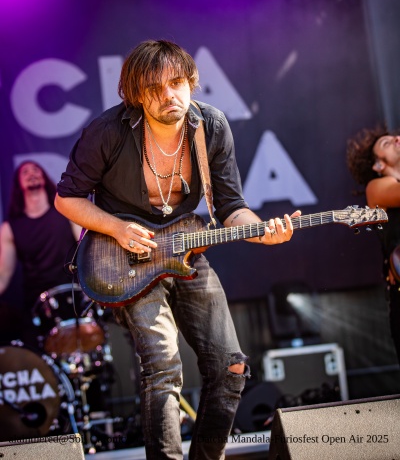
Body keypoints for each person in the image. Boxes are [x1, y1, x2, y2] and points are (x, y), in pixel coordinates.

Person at [55, 39, 300, 460]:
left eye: (177, 83)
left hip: (185, 253)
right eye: (154, 88)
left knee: (231, 368)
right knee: (164, 365)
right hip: (124, 258)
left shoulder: (211, 127)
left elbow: (232, 208)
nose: (169, 95)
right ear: (136, 95)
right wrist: (117, 227)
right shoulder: (108, 131)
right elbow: (66, 199)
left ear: (191, 82)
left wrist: (263, 232)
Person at [0, 161, 81, 347]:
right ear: (19, 184)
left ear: (44, 177)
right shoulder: (10, 228)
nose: (31, 173)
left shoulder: (66, 212)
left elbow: (86, 248)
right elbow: (3, 275)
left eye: (36, 169)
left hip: (72, 297)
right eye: (25, 172)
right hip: (37, 306)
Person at [346, 126, 400, 364]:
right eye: (387, 143)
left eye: (395, 137)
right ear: (379, 165)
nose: (397, 139)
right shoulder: (376, 188)